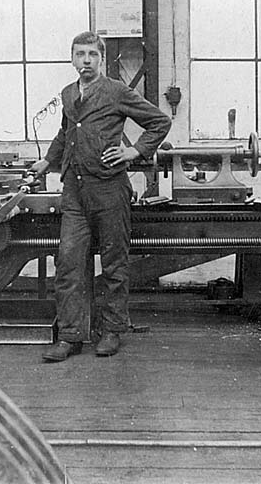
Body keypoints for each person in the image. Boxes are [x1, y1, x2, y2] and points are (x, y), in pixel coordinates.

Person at [30, 31, 171, 362]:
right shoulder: (68, 94)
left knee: (114, 265)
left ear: (102, 59)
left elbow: (159, 122)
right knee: (69, 265)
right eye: (80, 55)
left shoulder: (117, 92)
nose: (86, 61)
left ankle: (111, 332)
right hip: (75, 194)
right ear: (72, 59)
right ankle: (69, 336)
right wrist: (47, 161)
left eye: (93, 55)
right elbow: (66, 133)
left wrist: (133, 152)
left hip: (110, 190)